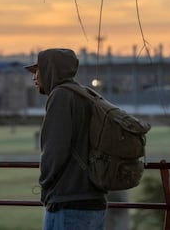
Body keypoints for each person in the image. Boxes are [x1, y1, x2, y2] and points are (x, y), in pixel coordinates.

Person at [24, 48, 107, 230]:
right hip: (93, 201)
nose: (34, 78)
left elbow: (54, 152)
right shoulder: (84, 94)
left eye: (38, 71)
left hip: (69, 203)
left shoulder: (61, 96)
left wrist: (45, 187)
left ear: (50, 70)